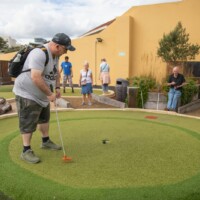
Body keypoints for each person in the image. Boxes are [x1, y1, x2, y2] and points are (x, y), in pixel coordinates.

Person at [13, 33, 75, 164]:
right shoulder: (39, 53)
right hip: (27, 93)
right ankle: (26, 150)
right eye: (65, 49)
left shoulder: (56, 55)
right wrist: (49, 93)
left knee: (44, 118)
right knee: (28, 122)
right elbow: (35, 76)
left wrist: (57, 88)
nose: (66, 52)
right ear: (57, 46)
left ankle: (45, 141)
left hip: (41, 94)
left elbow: (56, 72)